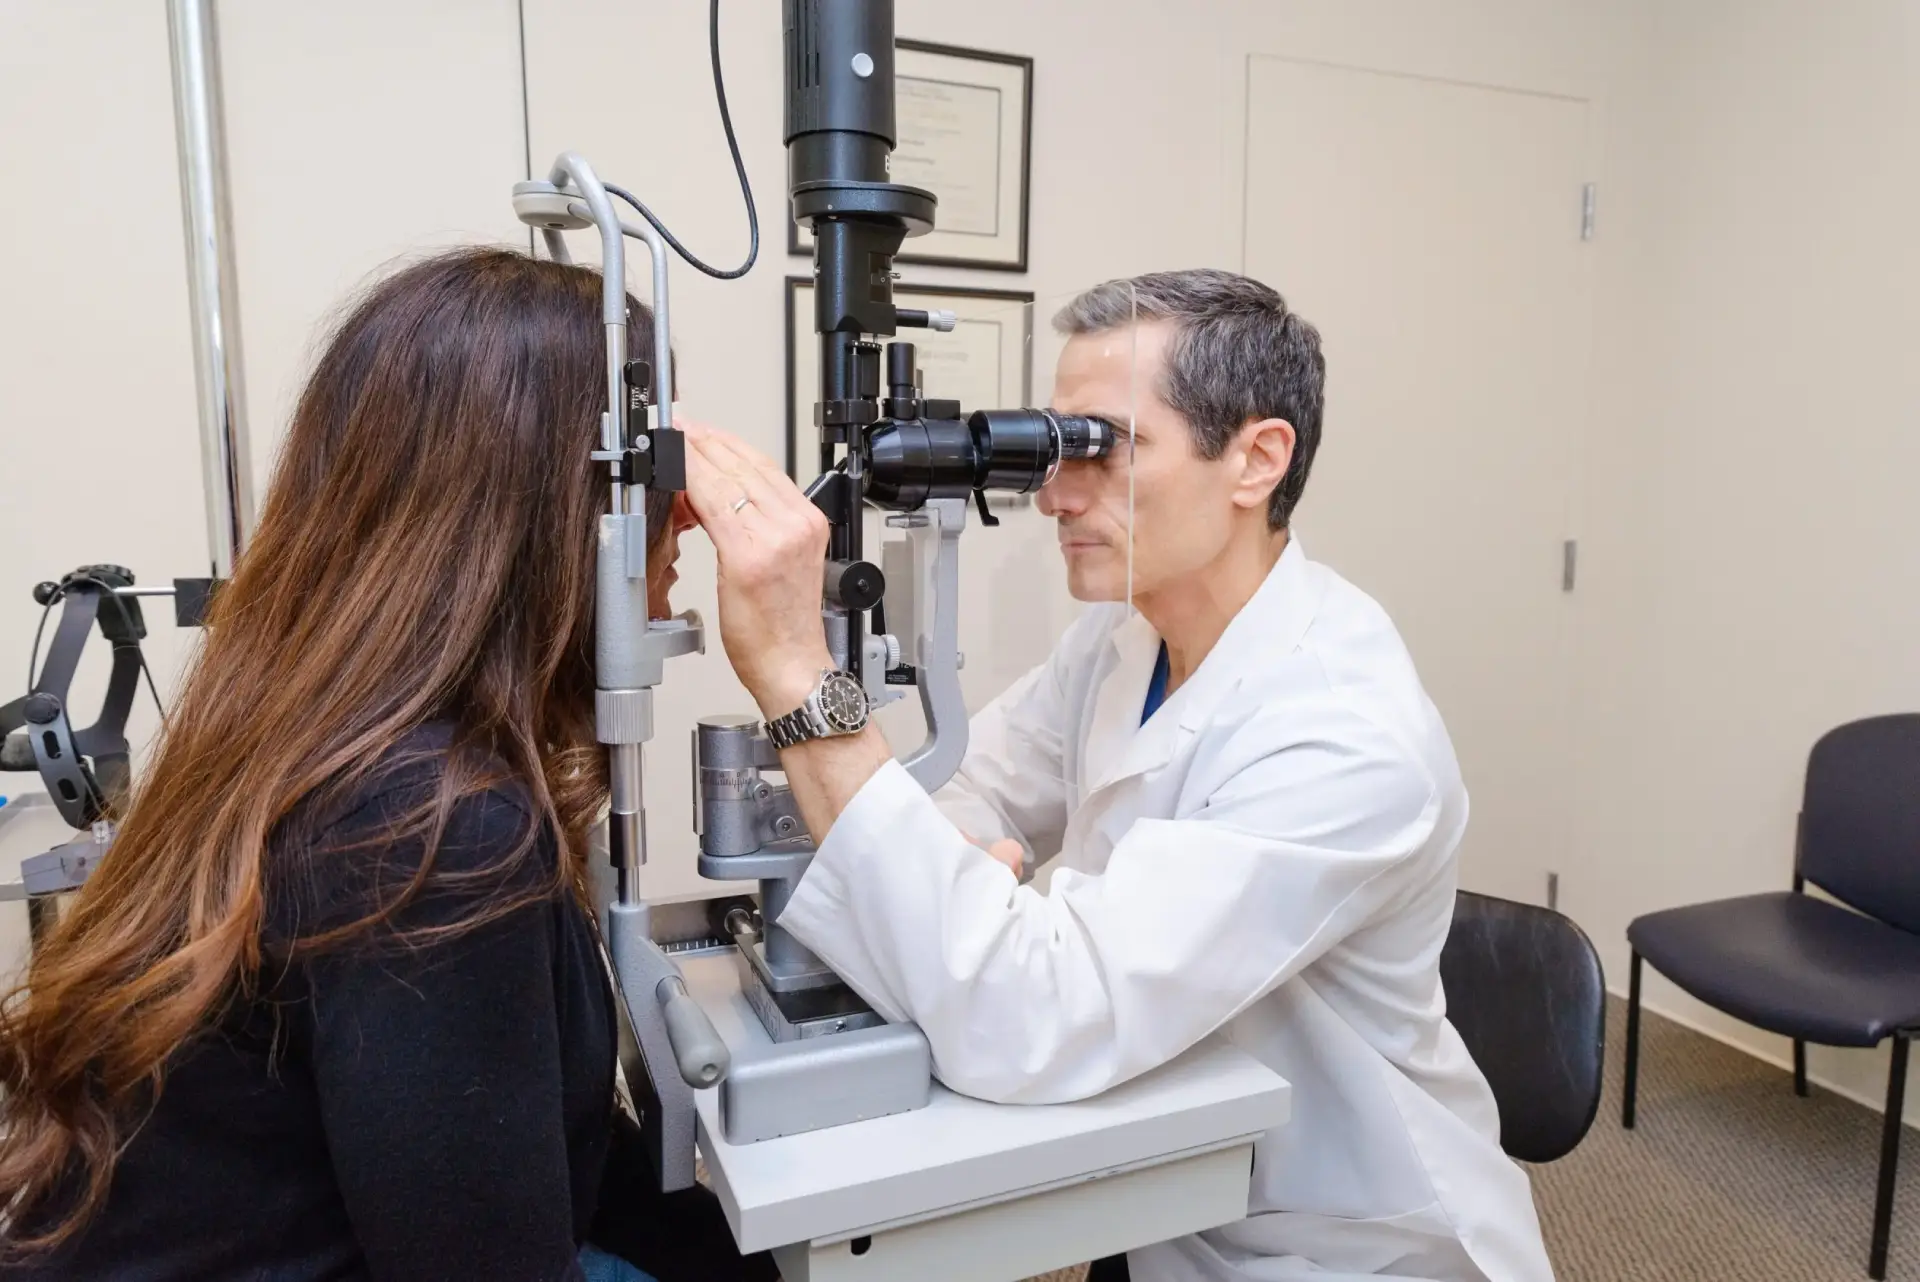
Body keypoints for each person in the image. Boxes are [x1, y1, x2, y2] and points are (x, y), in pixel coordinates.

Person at [678, 269, 1556, 1281]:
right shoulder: (1122, 634)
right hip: (1161, 1187)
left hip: (1333, 1240)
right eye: (1056, 445)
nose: (1054, 492)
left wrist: (799, 673)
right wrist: (962, 881)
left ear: (1255, 460)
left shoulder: (1347, 733)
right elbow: (967, 787)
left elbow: (1033, 1018)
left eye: (1104, 447)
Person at [0, 248, 769, 1282]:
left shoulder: (325, 735)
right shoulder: (430, 827)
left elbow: (562, 1163)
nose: (679, 518)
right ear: (542, 510)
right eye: (651, 474)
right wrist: (798, 668)